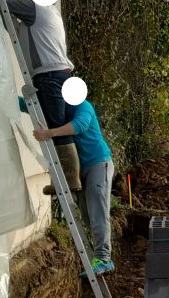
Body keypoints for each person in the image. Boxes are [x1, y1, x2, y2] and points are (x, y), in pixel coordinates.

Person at [8, 0, 82, 193]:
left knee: (55, 127)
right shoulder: (48, 15)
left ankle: (69, 181)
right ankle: (65, 180)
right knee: (52, 125)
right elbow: (13, 26)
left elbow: (4, 4)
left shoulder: (36, 8)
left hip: (50, 76)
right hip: (56, 75)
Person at [33, 99, 115, 275]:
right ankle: (101, 257)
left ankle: (103, 258)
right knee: (87, 214)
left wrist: (49, 133)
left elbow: (79, 125)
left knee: (97, 210)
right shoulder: (57, 109)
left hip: (98, 163)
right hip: (79, 169)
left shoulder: (82, 106)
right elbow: (28, 105)